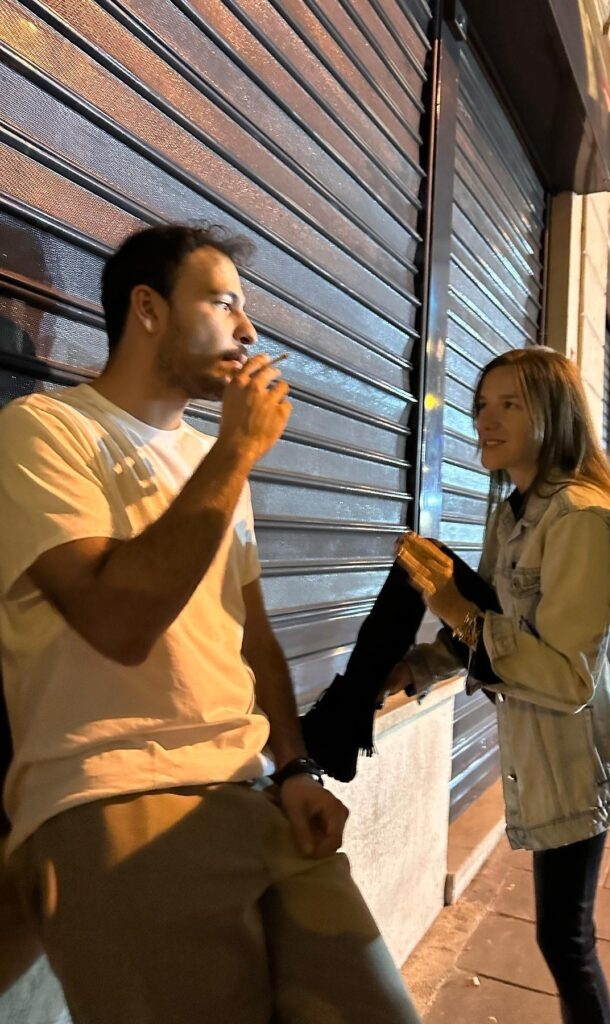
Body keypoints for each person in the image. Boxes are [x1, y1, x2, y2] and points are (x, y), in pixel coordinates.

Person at [0, 224, 420, 1024]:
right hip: (119, 802)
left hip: (255, 795)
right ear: (149, 309)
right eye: (224, 301)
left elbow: (251, 638)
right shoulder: (44, 431)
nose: (250, 331)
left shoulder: (213, 456)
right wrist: (235, 452)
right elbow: (117, 622)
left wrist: (296, 772)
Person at [364, 347, 610, 1024]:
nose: (485, 420)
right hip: (541, 747)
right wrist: (418, 666)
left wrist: (451, 604)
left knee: (565, 938)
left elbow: (564, 676)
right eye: (480, 404)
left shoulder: (582, 519)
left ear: (551, 414)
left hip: (577, 754)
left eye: (510, 404)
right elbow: (500, 620)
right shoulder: (514, 512)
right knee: (562, 935)